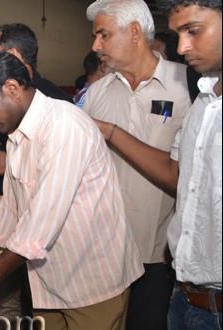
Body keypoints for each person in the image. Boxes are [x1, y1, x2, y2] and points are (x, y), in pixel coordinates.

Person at [0, 51, 143, 330]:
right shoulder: (17, 135)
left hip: (91, 286)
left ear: (12, 89)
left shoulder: (64, 126)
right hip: (50, 285)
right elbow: (11, 215)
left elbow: (41, 222)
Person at [92, 0, 222, 328]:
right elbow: (178, 173)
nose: (183, 46)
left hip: (161, 262)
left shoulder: (189, 87)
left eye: (104, 35)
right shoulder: (95, 93)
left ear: (134, 33)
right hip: (119, 257)